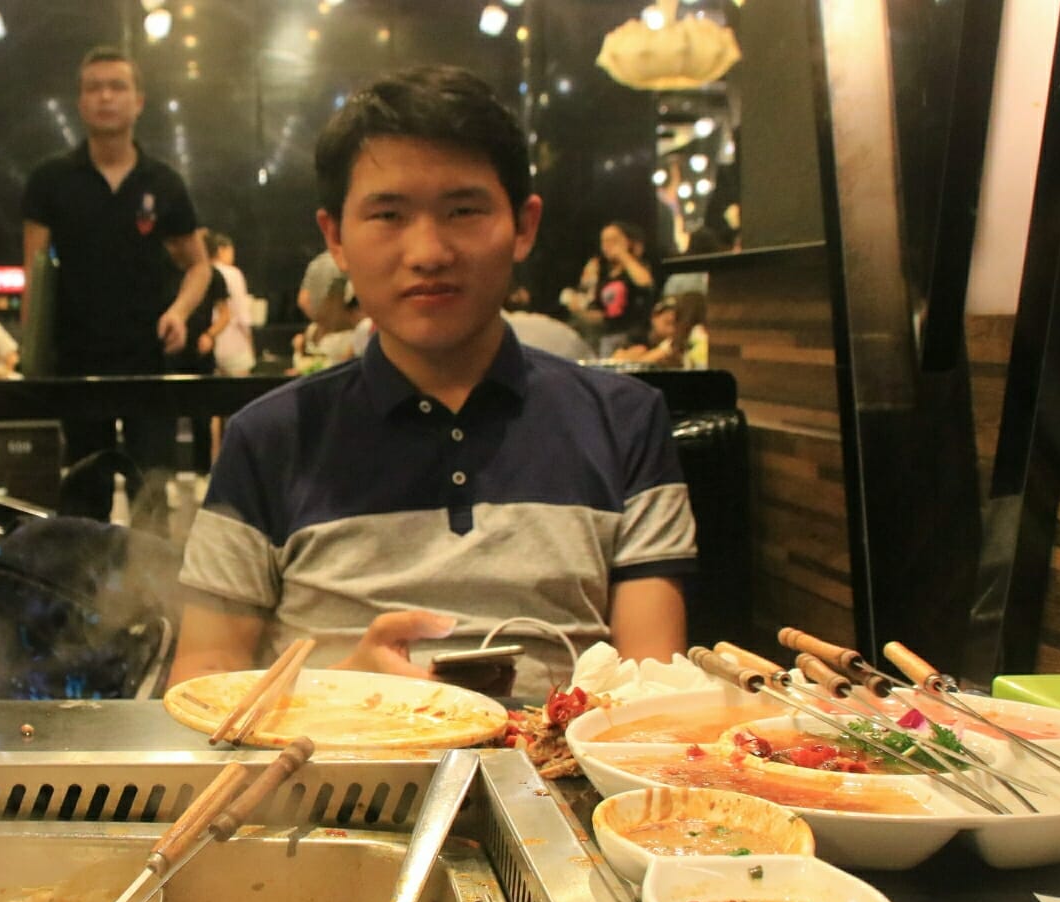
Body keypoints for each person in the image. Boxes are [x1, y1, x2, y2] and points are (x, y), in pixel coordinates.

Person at [170, 65, 696, 690]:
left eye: (463, 210)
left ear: (524, 226)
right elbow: (201, 681)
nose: (428, 253)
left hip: (561, 754)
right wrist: (338, 693)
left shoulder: (624, 421)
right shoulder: (269, 437)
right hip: (326, 754)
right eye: (388, 215)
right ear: (335, 239)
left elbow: (653, 689)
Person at [22, 46, 214, 512]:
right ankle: (83, 565)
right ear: (80, 101)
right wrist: (31, 362)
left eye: (117, 87)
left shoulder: (163, 182)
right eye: (94, 88)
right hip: (77, 363)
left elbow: (199, 266)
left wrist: (179, 312)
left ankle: (150, 567)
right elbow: (34, 275)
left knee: (152, 497)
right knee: (85, 501)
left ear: (138, 101)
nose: (105, 96)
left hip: (148, 358)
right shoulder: (50, 180)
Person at [560, 221, 654, 352]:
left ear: (628, 242)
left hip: (630, 336)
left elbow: (645, 284)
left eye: (613, 240)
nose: (607, 245)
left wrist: (623, 255)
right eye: (604, 241)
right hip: (605, 335)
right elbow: (600, 311)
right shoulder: (603, 273)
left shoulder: (637, 267)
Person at [207, 231, 257, 376]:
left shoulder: (202, 273)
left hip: (209, 344)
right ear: (221, 250)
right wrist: (250, 342)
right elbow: (242, 314)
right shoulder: (233, 274)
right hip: (234, 344)